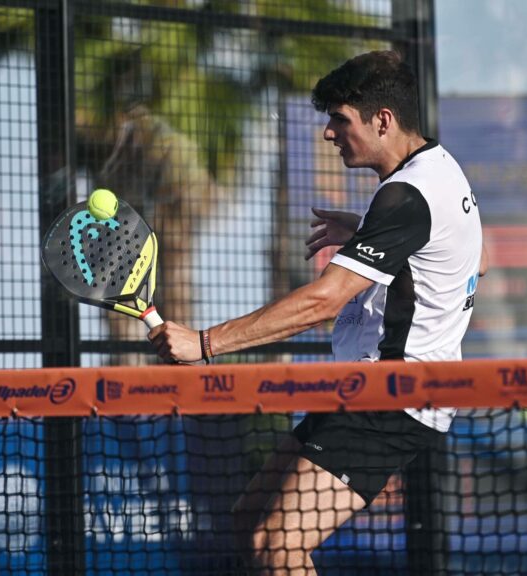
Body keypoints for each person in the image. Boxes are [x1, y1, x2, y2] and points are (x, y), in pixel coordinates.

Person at [148, 50, 484, 575]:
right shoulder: (438, 170)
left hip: (393, 398)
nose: (329, 133)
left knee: (279, 547)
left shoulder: (408, 194)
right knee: (249, 521)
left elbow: (323, 300)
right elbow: (471, 260)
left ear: (383, 121)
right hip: (363, 388)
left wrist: (204, 343)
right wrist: (373, 239)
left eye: (339, 119)